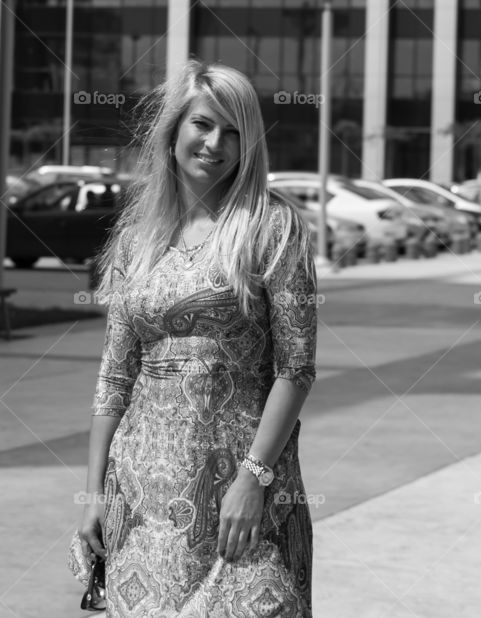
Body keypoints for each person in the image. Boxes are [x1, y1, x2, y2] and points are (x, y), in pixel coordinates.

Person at [77, 61, 317, 615]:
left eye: (234, 132)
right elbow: (114, 377)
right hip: (141, 499)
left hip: (241, 492)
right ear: (173, 132)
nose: (216, 144)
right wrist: (93, 496)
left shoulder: (272, 227)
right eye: (204, 124)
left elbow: (296, 368)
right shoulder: (137, 239)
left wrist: (254, 478)